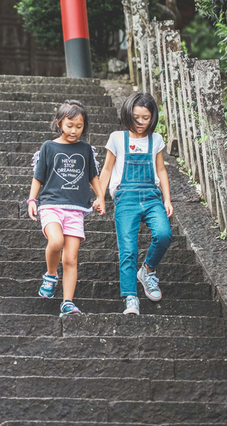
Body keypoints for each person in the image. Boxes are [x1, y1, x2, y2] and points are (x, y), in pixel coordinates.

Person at [98, 92, 174, 316]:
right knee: (128, 249)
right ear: (127, 114)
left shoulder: (156, 139)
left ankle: (148, 270)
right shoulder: (117, 138)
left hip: (152, 196)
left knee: (164, 234)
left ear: (153, 117)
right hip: (125, 197)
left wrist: (167, 198)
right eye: (136, 117)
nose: (141, 122)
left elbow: (161, 169)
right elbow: (107, 169)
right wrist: (100, 196)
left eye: (146, 117)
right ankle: (131, 297)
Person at [27, 100, 105, 317]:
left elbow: (93, 176)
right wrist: (32, 200)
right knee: (56, 241)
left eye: (79, 126)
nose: (74, 130)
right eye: (70, 125)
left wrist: (100, 197)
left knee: (71, 258)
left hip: (76, 208)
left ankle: (67, 302)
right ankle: (51, 275)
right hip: (51, 205)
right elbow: (38, 176)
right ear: (59, 123)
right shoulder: (48, 147)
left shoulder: (86, 149)